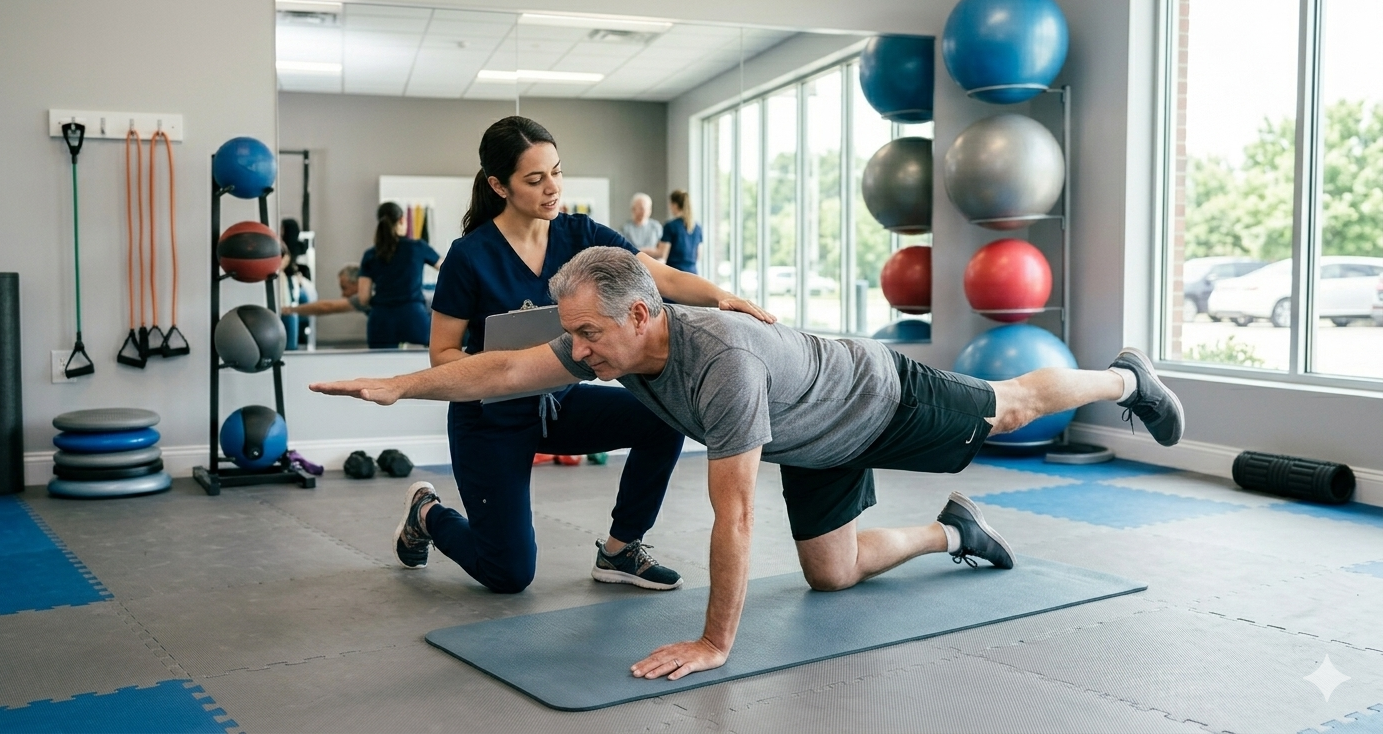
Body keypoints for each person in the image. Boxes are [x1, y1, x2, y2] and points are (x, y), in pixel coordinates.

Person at [310, 246, 1186, 681]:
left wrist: (713, 641)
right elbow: (503, 368)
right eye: (570, 332)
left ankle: (1125, 375)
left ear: (646, 315)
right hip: (816, 440)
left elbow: (734, 515)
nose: (575, 350)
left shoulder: (719, 365)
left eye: (589, 333)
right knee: (833, 576)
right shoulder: (607, 346)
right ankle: (948, 529)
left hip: (882, 397)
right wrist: (402, 384)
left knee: (1011, 407)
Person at [389, 116, 773, 596]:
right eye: (535, 179)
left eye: (556, 171)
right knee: (507, 575)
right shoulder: (469, 256)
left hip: (559, 404)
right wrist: (500, 368)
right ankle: (427, 511)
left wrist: (720, 297)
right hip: (489, 419)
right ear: (498, 185)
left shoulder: (581, 234)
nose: (552, 188)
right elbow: (441, 354)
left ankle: (620, 549)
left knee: (664, 417)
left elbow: (658, 276)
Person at [359, 202, 443, 349]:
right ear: (402, 220)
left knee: (380, 369)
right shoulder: (418, 247)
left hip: (381, 320)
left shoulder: (370, 254)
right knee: (421, 368)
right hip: (414, 318)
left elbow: (363, 298)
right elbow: (449, 270)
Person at [283, 264, 371, 318]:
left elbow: (327, 307)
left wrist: (289, 310)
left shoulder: (368, 295)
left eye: (344, 288)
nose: (343, 295)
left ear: (358, 283)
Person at [656, 190, 702, 274]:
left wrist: (641, 250)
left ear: (675, 205)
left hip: (675, 274)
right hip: (693, 274)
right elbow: (698, 256)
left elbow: (662, 254)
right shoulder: (697, 228)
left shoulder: (670, 226)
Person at [617, 193, 664, 259]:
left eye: (647, 208)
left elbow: (662, 252)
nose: (644, 211)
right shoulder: (625, 229)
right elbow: (623, 251)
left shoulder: (656, 227)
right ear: (633, 209)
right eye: (641, 208)